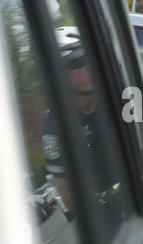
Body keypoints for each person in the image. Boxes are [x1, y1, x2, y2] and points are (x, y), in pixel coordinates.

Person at [42, 27, 116, 219]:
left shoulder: (120, 101)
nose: (91, 66)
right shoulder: (55, 125)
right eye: (80, 61)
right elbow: (66, 194)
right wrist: (104, 198)